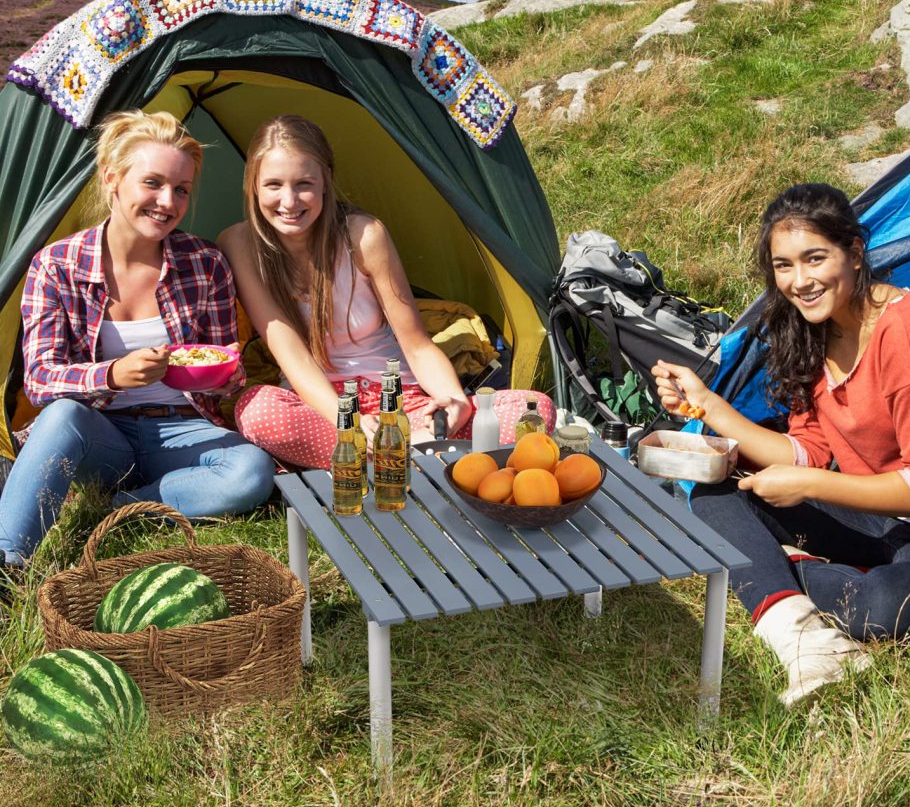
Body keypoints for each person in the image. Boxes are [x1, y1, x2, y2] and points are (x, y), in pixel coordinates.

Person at [653, 182, 910, 707]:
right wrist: (707, 403)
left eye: (815, 258)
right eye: (783, 266)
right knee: (713, 491)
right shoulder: (812, 330)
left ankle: (765, 573)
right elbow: (806, 452)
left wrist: (808, 485)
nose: (799, 282)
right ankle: (802, 635)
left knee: (881, 612)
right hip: (887, 514)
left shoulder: (909, 335)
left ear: (855, 251)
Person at [0, 110, 276, 581]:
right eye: (153, 183)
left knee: (251, 470)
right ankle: (9, 564)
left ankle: (118, 508)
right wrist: (111, 374)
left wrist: (227, 377)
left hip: (183, 429)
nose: (167, 201)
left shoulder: (205, 263)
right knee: (63, 415)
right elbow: (40, 379)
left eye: (181, 189)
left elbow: (223, 359)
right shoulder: (56, 265)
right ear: (112, 179)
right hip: (99, 434)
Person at [218, 114, 555, 469]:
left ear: (325, 183)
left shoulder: (363, 236)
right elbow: (293, 358)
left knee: (533, 410)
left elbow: (416, 343)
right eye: (273, 185)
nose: (289, 201)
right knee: (257, 410)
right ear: (253, 185)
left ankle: (374, 460)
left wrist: (451, 398)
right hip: (321, 407)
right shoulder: (240, 244)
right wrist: (348, 421)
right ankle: (419, 459)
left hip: (399, 400)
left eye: (304, 183)